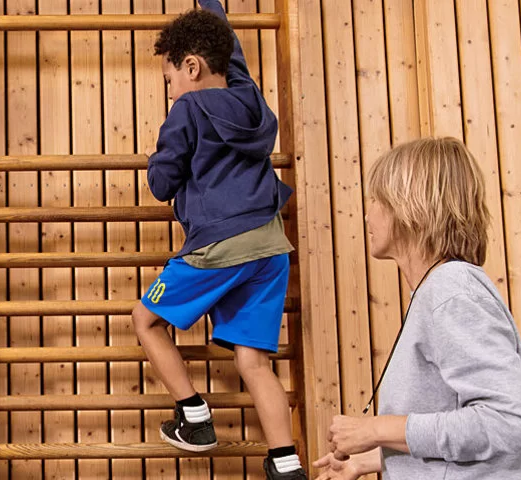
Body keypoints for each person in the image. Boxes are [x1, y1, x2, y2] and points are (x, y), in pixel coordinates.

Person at [132, 0, 302, 478]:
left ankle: (195, 417)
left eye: (169, 80)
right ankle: (286, 465)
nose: (171, 92)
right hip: (270, 248)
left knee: (145, 320)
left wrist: (157, 155)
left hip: (219, 247)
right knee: (254, 362)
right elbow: (234, 51)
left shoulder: (187, 110)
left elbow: (162, 184)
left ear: (191, 66)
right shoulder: (248, 95)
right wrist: (212, 7)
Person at [312, 137, 521, 479]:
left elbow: (508, 423)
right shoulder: (438, 290)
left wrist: (376, 429)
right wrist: (371, 460)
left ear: (408, 207)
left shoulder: (451, 291)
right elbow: (452, 433)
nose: (366, 214)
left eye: (375, 200)